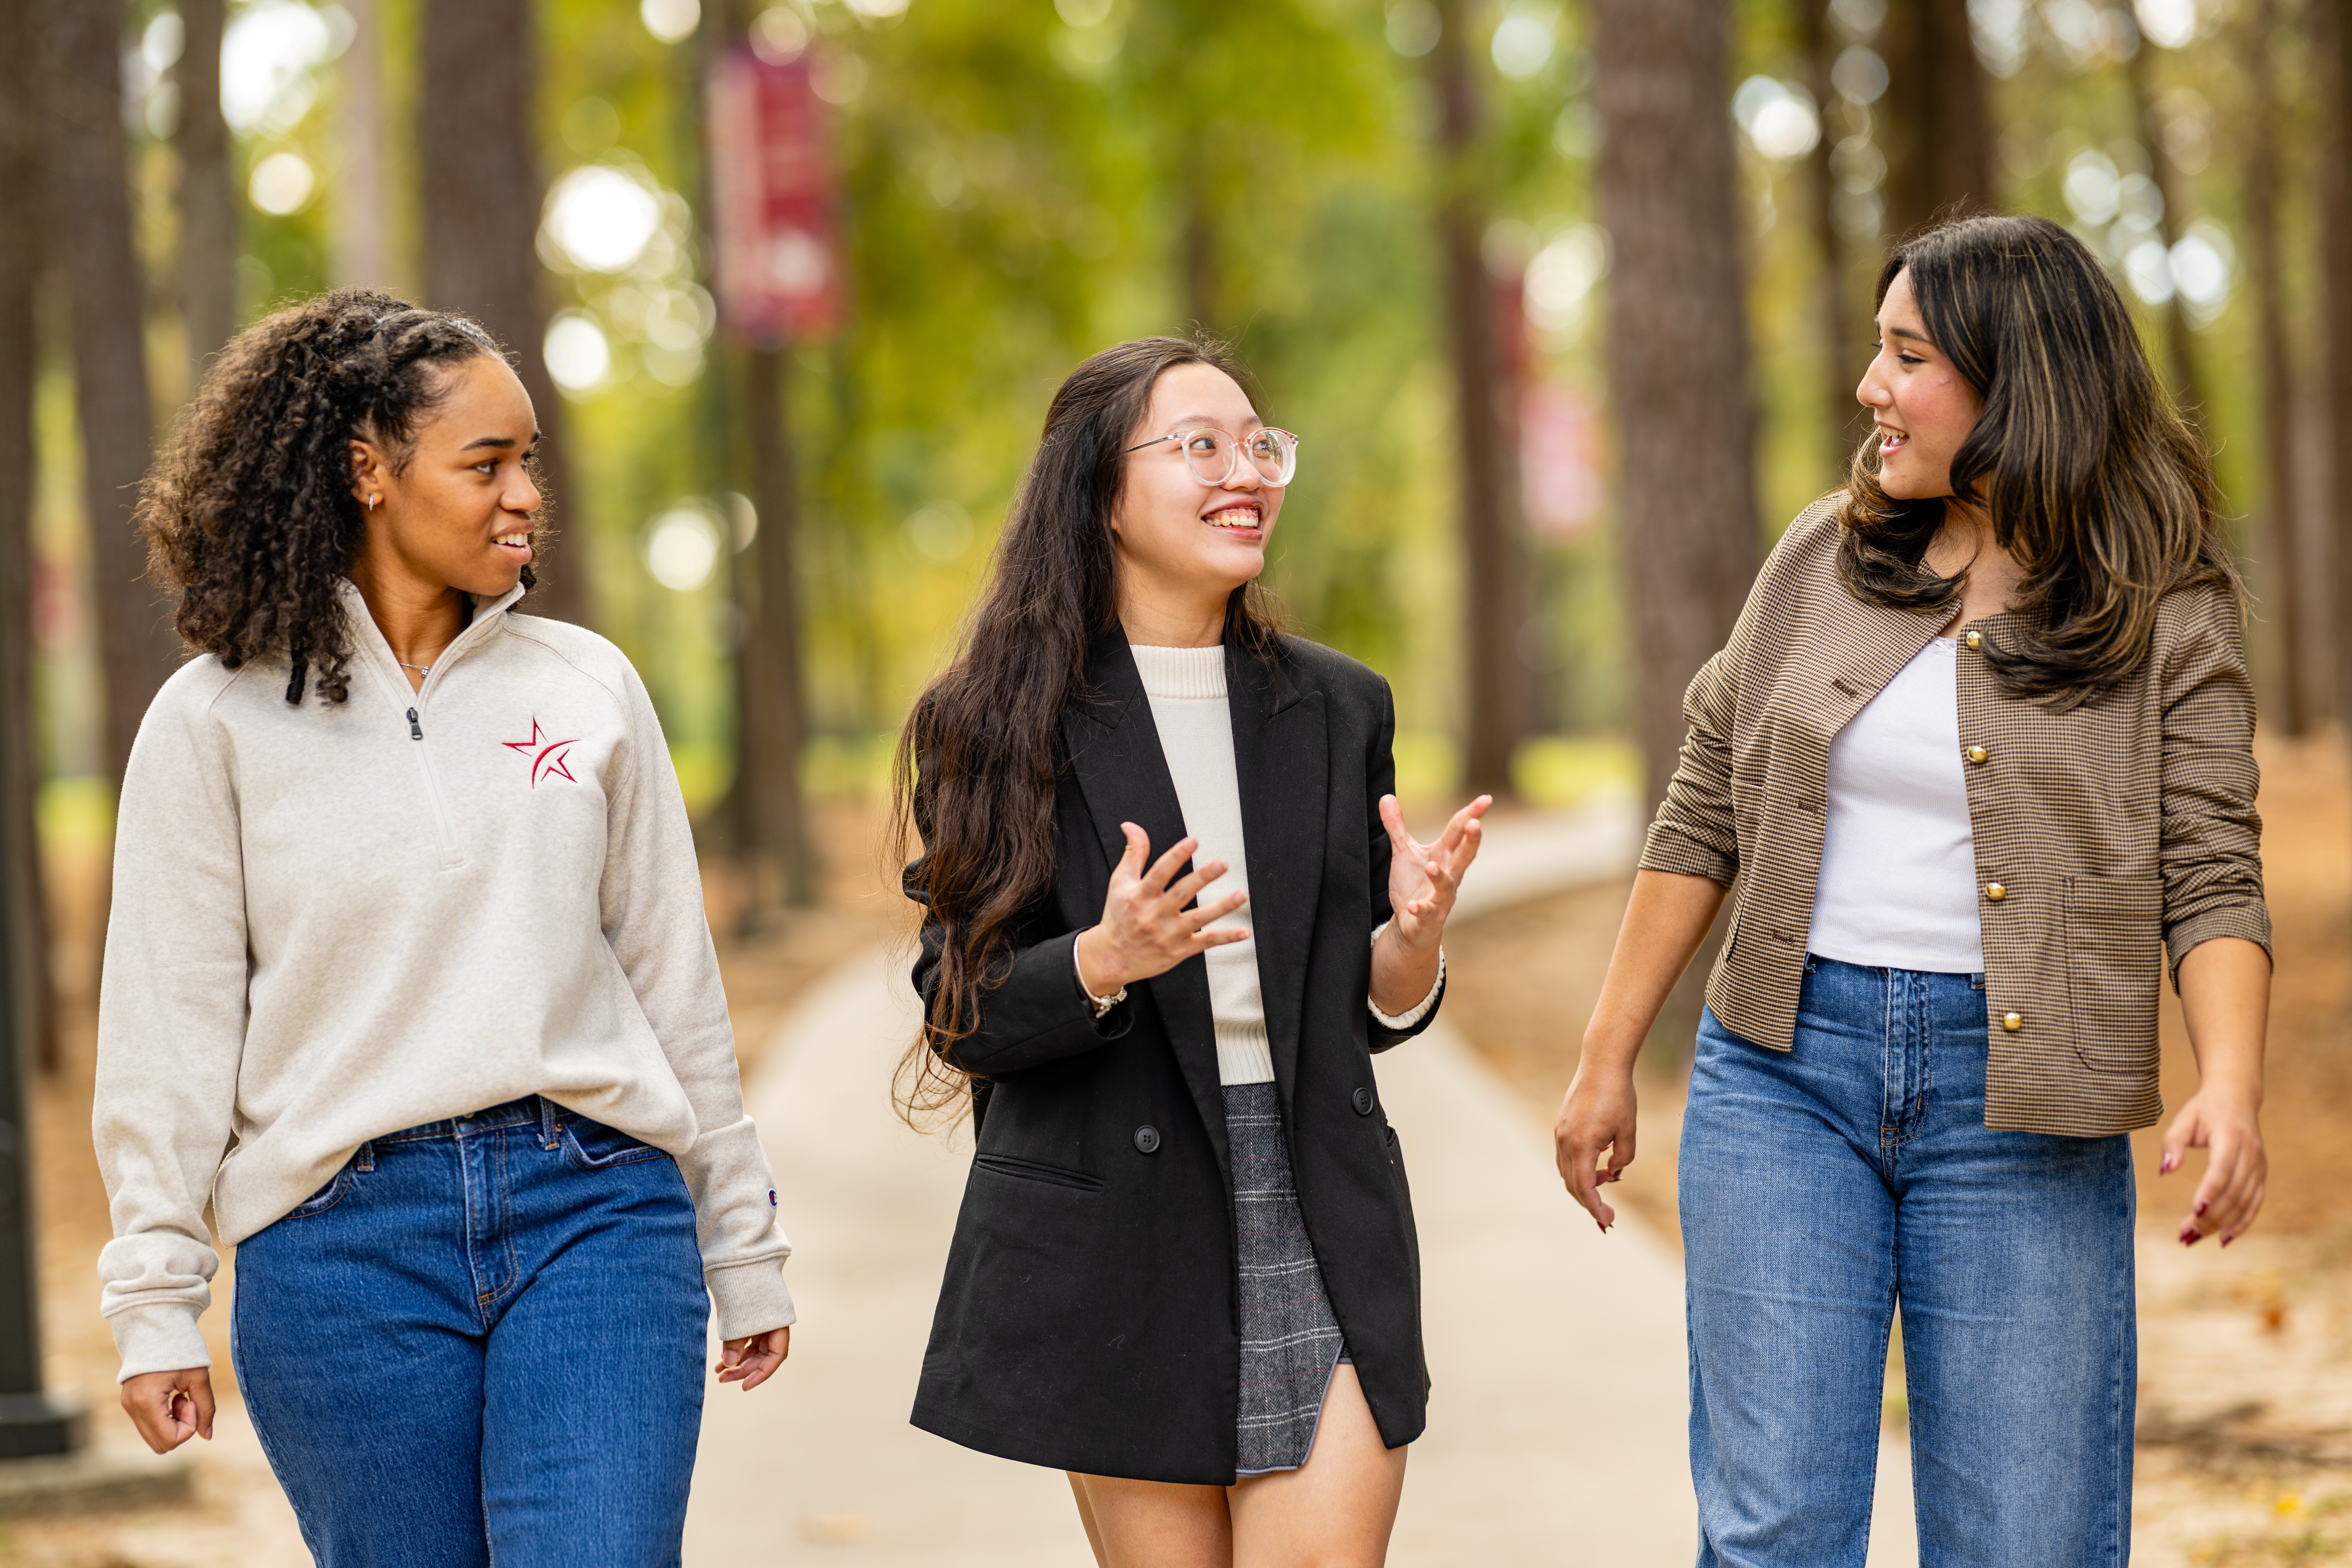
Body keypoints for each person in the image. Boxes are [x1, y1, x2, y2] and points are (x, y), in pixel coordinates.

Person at [1554, 213, 2269, 1566]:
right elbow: (1708, 791)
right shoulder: (1826, 555)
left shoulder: (2162, 609)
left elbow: (2213, 868)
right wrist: (1605, 1059)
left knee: (2031, 1542)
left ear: (2019, 385)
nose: (1873, 388)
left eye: (1910, 356)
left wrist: (2228, 1082)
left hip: (2028, 1110)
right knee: (1774, 1536)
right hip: (1781, 1079)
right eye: (1878, 351)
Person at [95, 290, 794, 1567]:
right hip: (339, 1248)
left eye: (529, 459)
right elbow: (169, 1028)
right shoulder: (214, 724)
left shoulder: (589, 690)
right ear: (368, 469)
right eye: (487, 462)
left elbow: (673, 987)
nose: (526, 492)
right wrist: (154, 1300)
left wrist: (740, 1243)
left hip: (596, 1213)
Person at [894, 336, 1488, 1567]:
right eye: (1201, 445)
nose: (1248, 472)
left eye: (1262, 446)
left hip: (1315, 1198)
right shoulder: (995, 722)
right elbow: (959, 1008)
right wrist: (1104, 959)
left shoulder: (1339, 706)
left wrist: (1412, 941)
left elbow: (1370, 1003)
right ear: (1102, 491)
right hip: (1117, 1215)